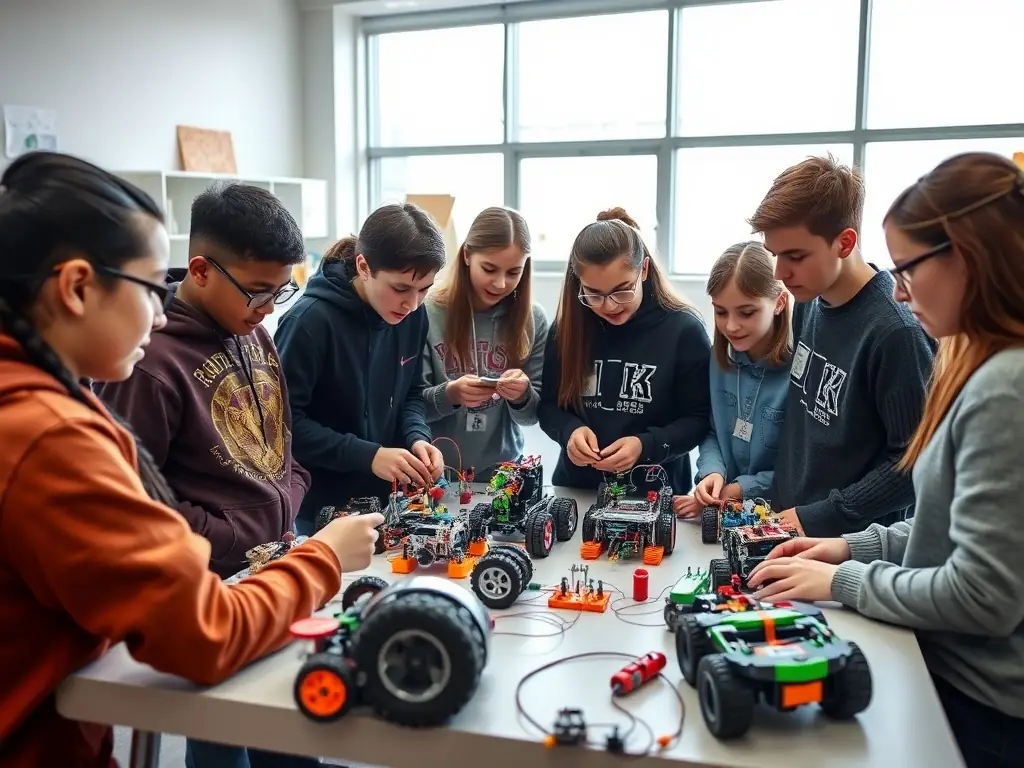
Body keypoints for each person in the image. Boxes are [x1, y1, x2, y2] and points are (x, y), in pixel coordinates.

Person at [0, 151, 382, 768]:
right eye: (152, 287)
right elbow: (205, 632)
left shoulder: (43, 401)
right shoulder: (46, 434)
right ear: (75, 287)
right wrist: (325, 557)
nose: (159, 311)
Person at [747, 152, 1024, 768]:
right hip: (938, 660)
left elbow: (983, 594)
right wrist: (854, 548)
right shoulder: (975, 361)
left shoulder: (1003, 384)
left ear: (967, 259)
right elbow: (943, 530)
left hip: (982, 708)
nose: (898, 288)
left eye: (909, 268)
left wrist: (843, 578)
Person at [95, 182, 309, 581]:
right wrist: (229, 536)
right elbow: (134, 500)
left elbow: (280, 441)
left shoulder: (255, 331)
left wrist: (292, 491)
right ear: (201, 270)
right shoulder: (148, 362)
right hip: (204, 579)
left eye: (280, 292)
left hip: (275, 558)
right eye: (257, 292)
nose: (266, 310)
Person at [748, 154, 935, 537]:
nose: (780, 273)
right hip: (790, 527)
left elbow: (915, 465)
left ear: (845, 242)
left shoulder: (896, 333)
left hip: (849, 553)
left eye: (796, 256)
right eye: (775, 255)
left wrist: (822, 516)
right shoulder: (807, 302)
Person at [275, 203, 446, 535]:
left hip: (393, 503)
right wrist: (368, 456)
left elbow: (410, 393)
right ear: (364, 266)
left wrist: (417, 438)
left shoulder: (412, 316)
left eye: (424, 289)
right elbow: (284, 427)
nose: (412, 304)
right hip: (323, 511)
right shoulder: (308, 322)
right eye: (400, 288)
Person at [537, 207, 711, 494]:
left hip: (655, 493)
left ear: (643, 270)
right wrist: (569, 432)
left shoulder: (684, 330)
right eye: (593, 294)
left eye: (622, 290)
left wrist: (645, 446)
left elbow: (698, 419)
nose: (609, 306)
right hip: (578, 490)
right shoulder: (567, 328)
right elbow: (548, 406)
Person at [422, 206, 548, 477]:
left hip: (504, 473)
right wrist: (450, 394)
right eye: (489, 269)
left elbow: (533, 416)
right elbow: (409, 407)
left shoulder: (533, 319)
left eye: (514, 272)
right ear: (467, 254)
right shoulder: (427, 311)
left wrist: (522, 396)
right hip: (434, 473)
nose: (500, 283)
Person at [675, 241, 791, 518]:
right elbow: (713, 431)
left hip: (782, 517)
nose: (731, 326)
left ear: (779, 302)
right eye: (720, 311)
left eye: (746, 312)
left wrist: (738, 490)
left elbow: (801, 467)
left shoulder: (801, 371)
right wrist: (712, 474)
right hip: (726, 510)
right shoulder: (719, 359)